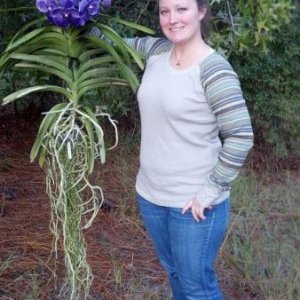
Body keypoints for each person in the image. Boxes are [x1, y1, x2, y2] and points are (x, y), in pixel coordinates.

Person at [97, 0, 253, 298]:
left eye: (182, 9)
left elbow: (240, 136)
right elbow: (109, 41)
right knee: (174, 271)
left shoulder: (214, 69)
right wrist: (72, 17)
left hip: (193, 204)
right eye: (164, 11)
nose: (172, 19)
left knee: (197, 287)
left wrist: (210, 192)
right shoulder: (156, 51)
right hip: (151, 195)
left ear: (202, 11)